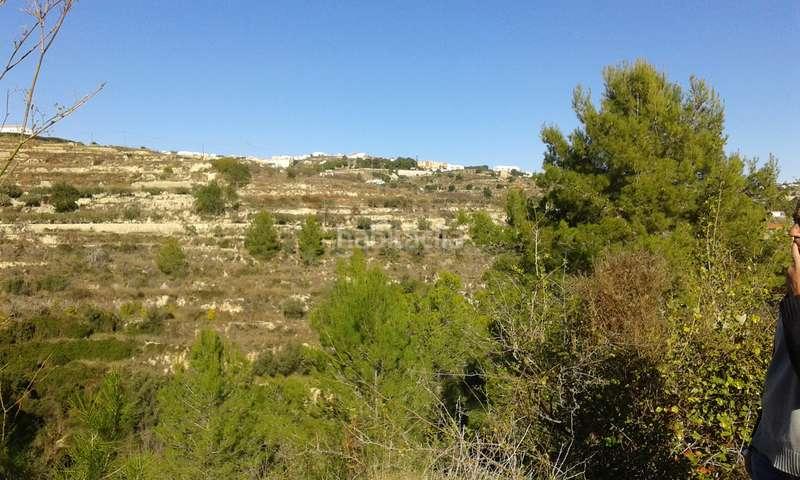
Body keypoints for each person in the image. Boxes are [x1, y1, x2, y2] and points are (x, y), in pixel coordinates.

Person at [748, 202, 800, 479]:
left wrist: (798, 299)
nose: (793, 231)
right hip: (768, 453)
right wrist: (759, 436)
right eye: (795, 220)